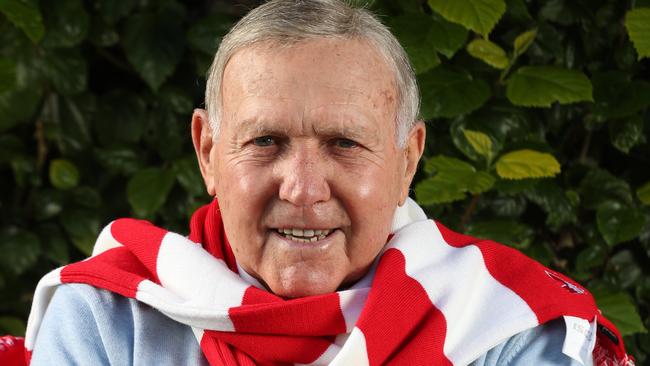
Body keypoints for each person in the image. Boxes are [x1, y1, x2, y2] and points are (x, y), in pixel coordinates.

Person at [19, 0, 632, 365]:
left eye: (345, 143)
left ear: (406, 160)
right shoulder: (105, 316)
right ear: (207, 152)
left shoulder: (512, 323)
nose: (304, 189)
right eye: (265, 142)